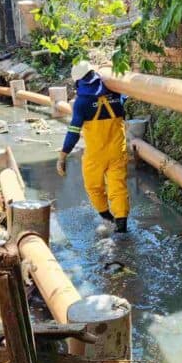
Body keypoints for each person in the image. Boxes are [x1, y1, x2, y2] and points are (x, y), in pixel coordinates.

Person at [57, 60, 130, 233]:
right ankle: (122, 227)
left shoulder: (81, 103)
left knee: (94, 187)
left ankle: (107, 218)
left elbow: (74, 132)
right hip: (118, 151)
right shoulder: (116, 93)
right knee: (118, 187)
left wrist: (62, 156)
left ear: (78, 81)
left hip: (95, 155)